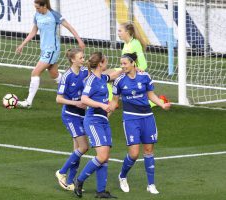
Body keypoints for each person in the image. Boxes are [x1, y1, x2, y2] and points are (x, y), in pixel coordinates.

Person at [110, 53, 171, 194]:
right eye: (121, 64)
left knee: (149, 151)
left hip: (147, 117)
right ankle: (122, 176)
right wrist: (106, 115)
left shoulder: (145, 77)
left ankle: (151, 185)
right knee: (134, 154)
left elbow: (151, 95)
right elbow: (114, 101)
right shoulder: (119, 81)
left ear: (133, 63)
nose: (123, 66)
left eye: (125, 63)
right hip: (131, 118)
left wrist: (162, 105)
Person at [16, 0, 85, 108]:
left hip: (52, 49)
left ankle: (28, 102)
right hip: (44, 49)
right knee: (54, 74)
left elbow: (69, 27)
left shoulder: (54, 15)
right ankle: (77, 90)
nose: (36, 9)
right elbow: (33, 31)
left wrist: (79, 40)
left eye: (38, 7)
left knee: (35, 72)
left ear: (44, 6)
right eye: (35, 7)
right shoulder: (37, 15)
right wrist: (22, 44)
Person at [73, 52, 122, 199]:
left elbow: (113, 75)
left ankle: (101, 191)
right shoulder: (91, 80)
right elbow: (84, 99)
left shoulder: (102, 78)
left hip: (103, 121)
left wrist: (129, 68)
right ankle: (79, 180)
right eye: (105, 61)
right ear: (100, 63)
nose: (107, 63)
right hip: (93, 120)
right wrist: (102, 104)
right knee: (102, 155)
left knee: (105, 157)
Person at [55, 48, 89, 191]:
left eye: (83, 57)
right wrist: (76, 103)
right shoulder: (66, 77)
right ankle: (61, 172)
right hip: (70, 115)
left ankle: (70, 182)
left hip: (82, 114)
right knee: (83, 147)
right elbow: (58, 99)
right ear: (73, 60)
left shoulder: (84, 72)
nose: (83, 59)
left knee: (77, 149)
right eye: (80, 58)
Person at [107, 21, 148, 102]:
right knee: (103, 76)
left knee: (104, 77)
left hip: (131, 72)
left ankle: (112, 100)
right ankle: (111, 98)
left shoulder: (135, 43)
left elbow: (143, 63)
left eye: (120, 31)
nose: (118, 33)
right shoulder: (126, 44)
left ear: (127, 32)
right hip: (124, 70)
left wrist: (139, 70)